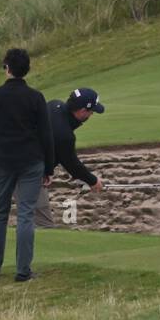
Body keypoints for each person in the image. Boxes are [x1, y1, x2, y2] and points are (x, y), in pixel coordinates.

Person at [0, 48, 54, 281]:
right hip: (31, 161)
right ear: (27, 70)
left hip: (1, 160)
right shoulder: (36, 97)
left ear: (7, 68)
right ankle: (23, 271)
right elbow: (46, 135)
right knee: (25, 215)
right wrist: (49, 168)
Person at [36, 87, 107, 227]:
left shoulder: (53, 105)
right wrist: (93, 181)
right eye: (91, 111)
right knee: (43, 224)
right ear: (82, 111)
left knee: (1, 215)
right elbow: (71, 164)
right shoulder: (65, 135)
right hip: (27, 172)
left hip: (5, 161)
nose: (91, 115)